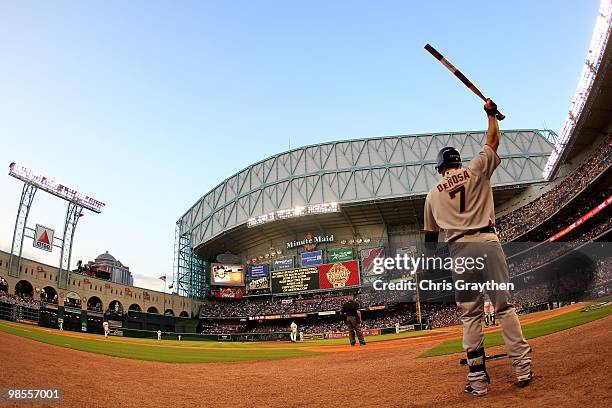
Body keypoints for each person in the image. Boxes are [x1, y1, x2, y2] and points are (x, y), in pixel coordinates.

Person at [423, 99, 532, 397]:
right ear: (458, 162)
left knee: (470, 315)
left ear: (440, 168)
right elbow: (493, 141)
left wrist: (429, 272)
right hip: (488, 241)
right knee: (504, 307)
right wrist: (491, 115)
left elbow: (430, 240)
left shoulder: (432, 195)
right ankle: (522, 368)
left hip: (459, 250)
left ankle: (478, 381)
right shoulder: (476, 169)